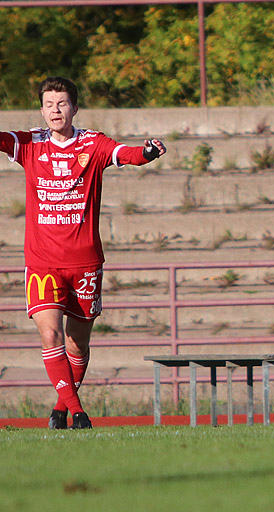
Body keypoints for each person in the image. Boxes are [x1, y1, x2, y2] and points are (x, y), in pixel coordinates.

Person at [0, 77, 167, 429]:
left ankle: (61, 408)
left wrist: (147, 152)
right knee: (50, 335)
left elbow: (126, 154)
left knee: (77, 344)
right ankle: (78, 412)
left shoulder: (93, 144)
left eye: (61, 103)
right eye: (49, 104)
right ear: (41, 110)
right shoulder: (30, 143)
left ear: (75, 107)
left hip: (85, 260)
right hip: (42, 261)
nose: (55, 110)